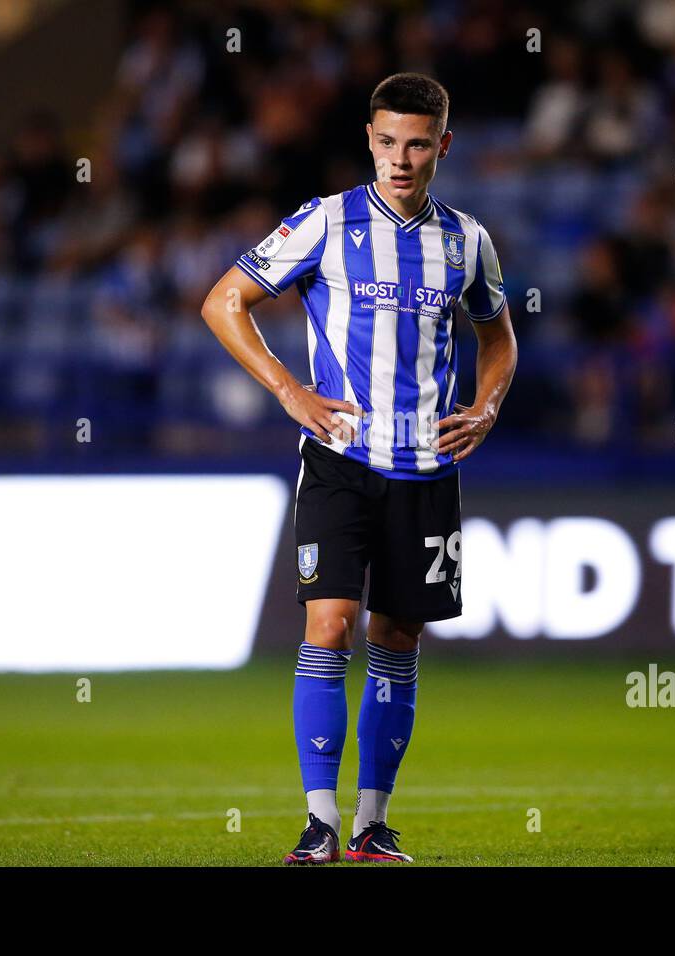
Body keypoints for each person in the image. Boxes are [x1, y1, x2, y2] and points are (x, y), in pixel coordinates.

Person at [200, 73, 517, 863]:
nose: (400, 159)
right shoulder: (324, 223)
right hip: (340, 459)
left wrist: (485, 408)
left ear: (442, 146)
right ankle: (319, 822)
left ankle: (374, 824)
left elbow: (500, 338)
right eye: (386, 143)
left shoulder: (467, 241)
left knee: (397, 637)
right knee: (328, 624)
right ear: (368, 141)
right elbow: (223, 302)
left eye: (416, 144)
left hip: (427, 470)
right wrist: (287, 388)